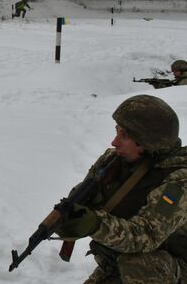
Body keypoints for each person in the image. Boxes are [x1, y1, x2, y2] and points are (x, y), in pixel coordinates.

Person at [54, 95, 187, 284]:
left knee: (140, 263)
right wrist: (74, 215)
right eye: (116, 132)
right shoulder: (114, 161)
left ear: (146, 142)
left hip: (169, 268)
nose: (114, 142)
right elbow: (82, 193)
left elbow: (146, 235)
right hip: (121, 261)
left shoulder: (179, 181)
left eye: (124, 135)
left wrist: (95, 224)